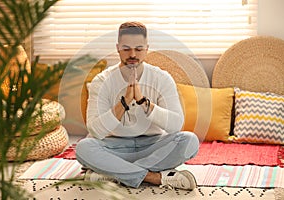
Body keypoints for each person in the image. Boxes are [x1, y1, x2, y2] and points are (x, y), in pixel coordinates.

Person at [76, 21, 199, 190]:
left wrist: (143, 101)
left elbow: (176, 125)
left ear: (147, 48)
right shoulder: (102, 81)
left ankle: (113, 172)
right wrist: (124, 103)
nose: (132, 54)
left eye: (139, 49)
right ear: (118, 48)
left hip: (153, 145)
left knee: (190, 141)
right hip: (114, 146)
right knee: (84, 147)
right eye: (126, 48)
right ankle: (155, 177)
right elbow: (96, 130)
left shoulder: (162, 78)